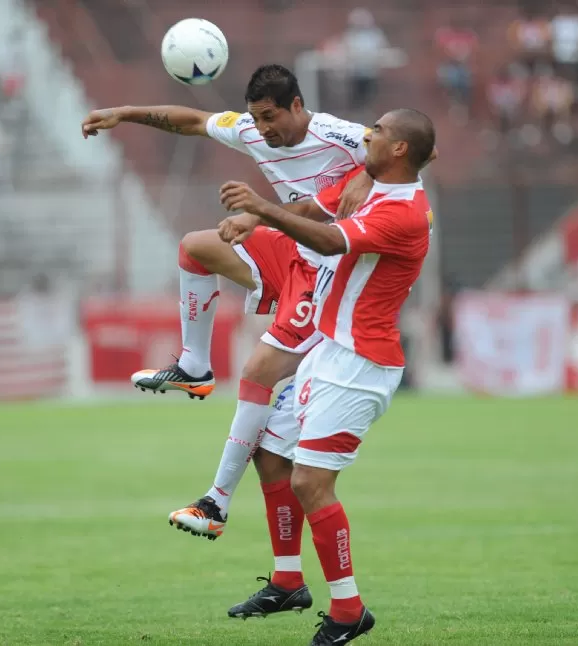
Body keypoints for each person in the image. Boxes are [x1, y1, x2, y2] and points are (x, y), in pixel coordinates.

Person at [81, 64, 374, 545]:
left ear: (297, 106)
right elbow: (193, 120)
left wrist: (368, 175)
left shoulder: (340, 136)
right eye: (255, 118)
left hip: (330, 270)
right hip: (289, 248)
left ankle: (216, 501)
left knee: (258, 374)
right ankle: (195, 366)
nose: (261, 129)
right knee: (196, 246)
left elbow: (414, 147)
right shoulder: (255, 131)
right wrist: (123, 113)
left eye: (269, 117)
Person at [216, 108, 436, 644]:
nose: (369, 134)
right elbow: (314, 206)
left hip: (360, 365)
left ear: (401, 149)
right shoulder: (371, 182)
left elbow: (328, 241)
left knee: (312, 482)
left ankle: (348, 610)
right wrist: (259, 218)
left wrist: (260, 207)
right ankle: (289, 581)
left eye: (379, 131)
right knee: (270, 453)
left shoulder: (404, 212)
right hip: (327, 353)